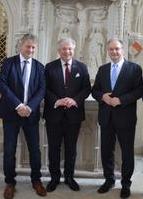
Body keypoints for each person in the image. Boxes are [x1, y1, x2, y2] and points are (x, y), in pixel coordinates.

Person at [92, 38, 143, 198]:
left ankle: (126, 183)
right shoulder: (103, 69)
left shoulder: (134, 68)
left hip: (125, 117)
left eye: (117, 49)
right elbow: (95, 91)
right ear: (107, 51)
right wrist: (103, 97)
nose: (114, 52)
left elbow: (139, 91)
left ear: (122, 49)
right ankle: (109, 180)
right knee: (106, 150)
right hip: (106, 117)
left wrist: (120, 100)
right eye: (111, 49)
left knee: (127, 152)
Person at [0, 34, 46, 199]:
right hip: (11, 113)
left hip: (30, 115)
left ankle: (36, 181)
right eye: (28, 46)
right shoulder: (8, 62)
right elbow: (2, 84)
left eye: (34, 47)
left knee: (35, 149)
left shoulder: (40, 67)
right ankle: (10, 182)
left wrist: (30, 107)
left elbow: (42, 90)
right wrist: (19, 106)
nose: (31, 50)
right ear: (21, 46)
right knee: (9, 149)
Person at [43, 38, 91, 192]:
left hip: (73, 115)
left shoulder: (82, 67)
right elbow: (44, 89)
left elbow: (86, 89)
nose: (67, 51)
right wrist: (57, 101)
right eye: (64, 49)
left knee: (71, 149)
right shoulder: (49, 67)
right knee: (54, 148)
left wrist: (74, 100)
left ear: (74, 49)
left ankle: (69, 177)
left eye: (69, 48)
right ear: (59, 50)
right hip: (54, 114)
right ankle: (54, 178)